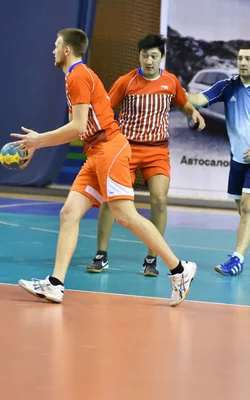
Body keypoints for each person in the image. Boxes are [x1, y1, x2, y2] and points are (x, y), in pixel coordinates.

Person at [12, 28, 197, 306]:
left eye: (56, 45)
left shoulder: (77, 76)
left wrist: (38, 141)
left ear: (66, 50)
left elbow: (77, 127)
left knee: (125, 216)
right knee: (69, 213)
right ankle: (55, 284)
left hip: (109, 149)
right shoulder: (75, 76)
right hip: (96, 152)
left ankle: (179, 270)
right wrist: (39, 143)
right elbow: (82, 127)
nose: (52, 50)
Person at [85, 34, 205, 276]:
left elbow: (183, 103)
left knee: (159, 200)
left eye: (153, 56)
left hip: (157, 150)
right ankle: (101, 254)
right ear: (139, 56)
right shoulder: (126, 82)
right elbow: (106, 108)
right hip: (125, 149)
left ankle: (152, 258)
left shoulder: (170, 82)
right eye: (144, 55)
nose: (148, 60)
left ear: (161, 57)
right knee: (111, 201)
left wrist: (194, 113)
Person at [186, 43, 250, 276]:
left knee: (247, 207)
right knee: (245, 211)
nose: (242, 63)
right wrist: (172, 90)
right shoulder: (228, 86)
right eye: (240, 58)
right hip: (238, 158)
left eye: (248, 59)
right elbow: (200, 99)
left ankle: (237, 259)